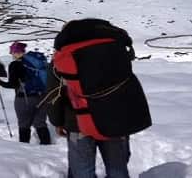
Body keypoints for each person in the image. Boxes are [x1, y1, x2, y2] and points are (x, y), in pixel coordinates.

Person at [46, 19, 151, 178]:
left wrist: (57, 122)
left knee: (83, 171)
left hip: (78, 121)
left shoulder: (62, 57)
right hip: (114, 118)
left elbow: (54, 93)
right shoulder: (113, 50)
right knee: (118, 169)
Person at [0, 42, 52, 144]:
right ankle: (47, 147)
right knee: (40, 123)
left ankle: (24, 149)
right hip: (42, 96)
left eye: (12, 52)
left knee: (24, 124)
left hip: (24, 99)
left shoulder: (15, 65)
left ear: (15, 52)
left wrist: (0, 82)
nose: (11, 54)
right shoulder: (38, 63)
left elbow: (13, 84)